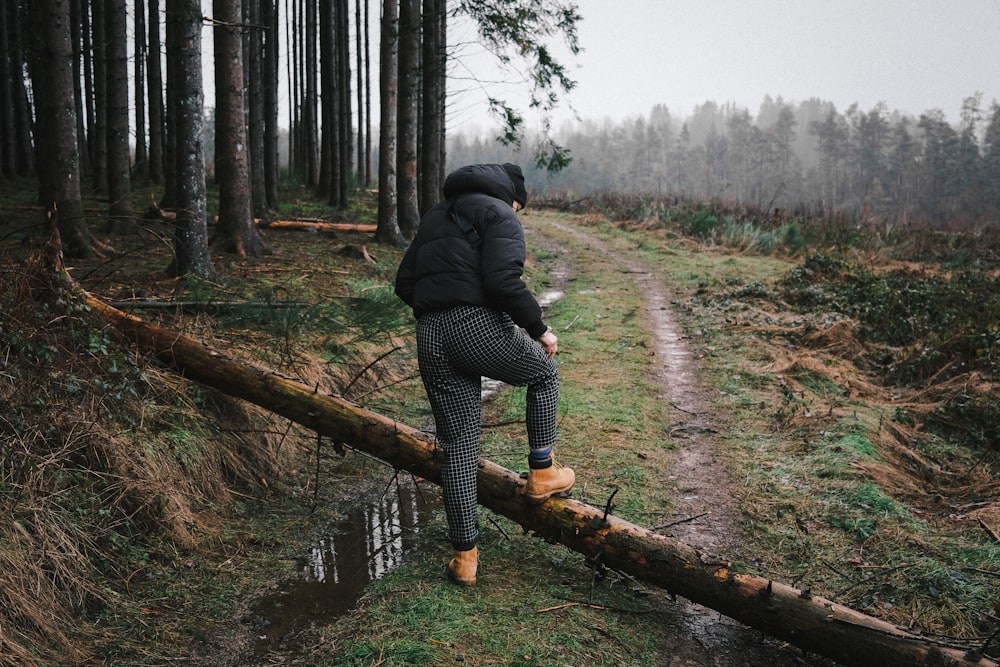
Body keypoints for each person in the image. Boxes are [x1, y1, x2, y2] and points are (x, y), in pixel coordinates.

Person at [394, 163, 575, 587]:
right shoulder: (500, 214)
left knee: (458, 447)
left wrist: (441, 305)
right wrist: (539, 330)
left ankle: (465, 559)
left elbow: (405, 284)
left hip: (430, 334)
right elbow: (502, 280)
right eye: (520, 207)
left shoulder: (436, 215)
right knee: (545, 373)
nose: (518, 213)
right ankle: (543, 472)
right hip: (474, 326)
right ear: (513, 198)